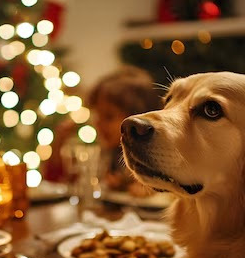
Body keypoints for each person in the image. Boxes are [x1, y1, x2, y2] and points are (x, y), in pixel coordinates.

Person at [46, 65, 162, 195]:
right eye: (98, 115)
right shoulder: (106, 154)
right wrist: (58, 144)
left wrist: (148, 188)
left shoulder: (153, 160)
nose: (99, 124)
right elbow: (58, 182)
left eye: (109, 116)